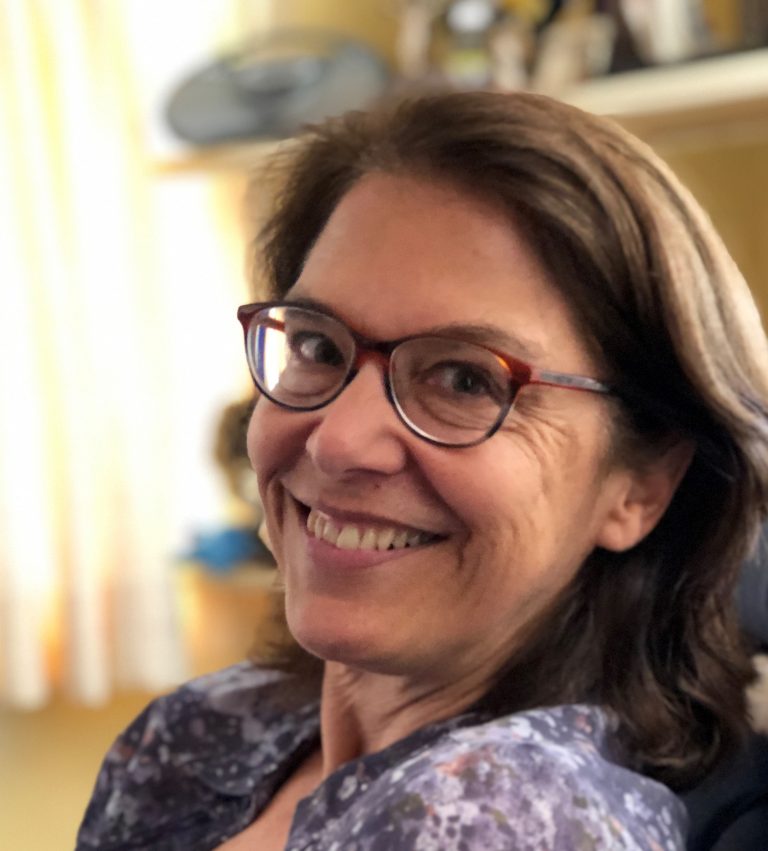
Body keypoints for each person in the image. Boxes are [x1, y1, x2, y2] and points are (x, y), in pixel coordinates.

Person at [76, 90, 768, 851]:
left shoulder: (506, 822)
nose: (338, 442)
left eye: (465, 380)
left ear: (641, 486)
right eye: (317, 346)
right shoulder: (199, 734)